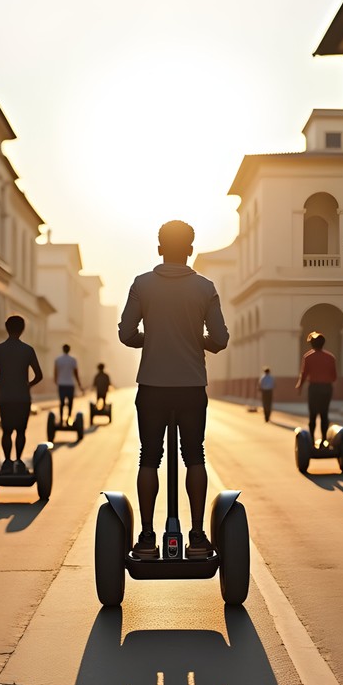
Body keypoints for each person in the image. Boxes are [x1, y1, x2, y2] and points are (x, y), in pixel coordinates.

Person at [119, 219, 229, 559]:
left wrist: (150, 340)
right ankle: (196, 537)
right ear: (191, 250)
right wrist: (195, 340)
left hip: (152, 384)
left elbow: (126, 334)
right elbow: (221, 340)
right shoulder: (205, 287)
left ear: (160, 248)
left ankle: (148, 538)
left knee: (149, 458)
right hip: (191, 385)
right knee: (194, 456)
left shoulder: (142, 285)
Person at [0, 315, 43, 473]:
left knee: (6, 431)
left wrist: (2, 384)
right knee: (20, 431)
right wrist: (27, 386)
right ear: (23, 329)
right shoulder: (28, 350)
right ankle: (18, 460)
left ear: (6, 327)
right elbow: (39, 375)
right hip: (22, 398)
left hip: (5, 397)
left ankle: (7, 462)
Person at [294, 331, 337, 443]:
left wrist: (299, 386)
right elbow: (334, 377)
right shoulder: (330, 357)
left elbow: (304, 374)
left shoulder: (308, 357)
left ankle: (312, 439)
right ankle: (324, 440)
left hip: (314, 389)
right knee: (324, 414)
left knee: (312, 415)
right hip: (326, 388)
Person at [54, 344, 83, 421]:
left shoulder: (58, 359)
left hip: (61, 384)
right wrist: (79, 384)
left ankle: (61, 418)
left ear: (63, 349)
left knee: (62, 402)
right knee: (70, 402)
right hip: (70, 384)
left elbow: (55, 372)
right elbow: (76, 373)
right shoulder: (73, 360)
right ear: (69, 350)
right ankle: (69, 417)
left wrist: (56, 381)